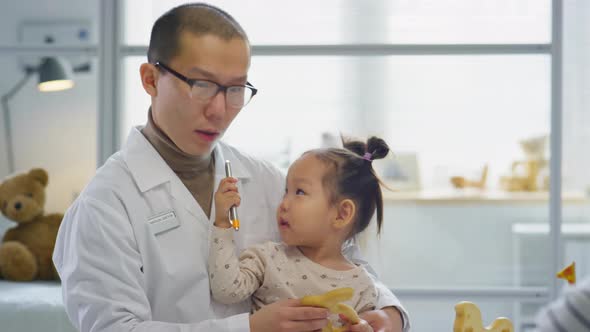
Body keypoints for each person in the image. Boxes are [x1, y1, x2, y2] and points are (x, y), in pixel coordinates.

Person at [52, 3, 409, 332]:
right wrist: (249, 328)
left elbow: (345, 260)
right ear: (150, 79)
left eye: (236, 89)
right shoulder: (103, 206)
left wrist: (388, 316)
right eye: (202, 85)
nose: (220, 111)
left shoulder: (268, 181)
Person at [210, 136, 394, 332]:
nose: (283, 204)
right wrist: (222, 222)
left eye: (299, 192)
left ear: (342, 214)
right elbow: (226, 291)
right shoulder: (267, 258)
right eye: (285, 191)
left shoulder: (363, 286)